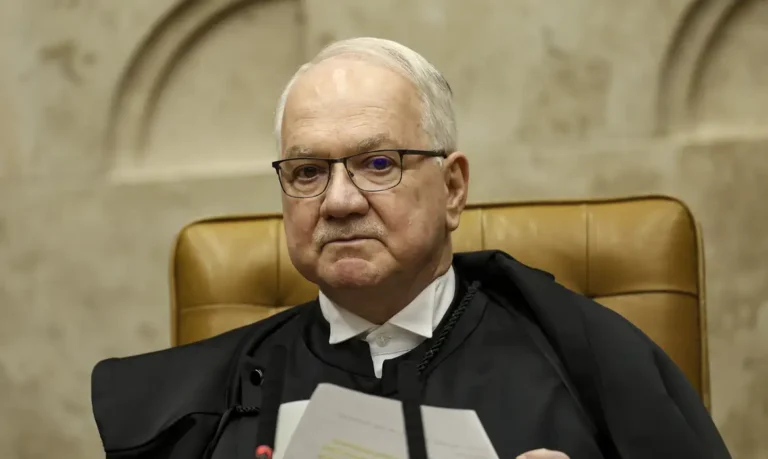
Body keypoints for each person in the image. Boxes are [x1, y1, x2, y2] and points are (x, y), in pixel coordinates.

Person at [91, 37, 732, 459]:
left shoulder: (583, 361)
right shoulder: (212, 405)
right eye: (308, 172)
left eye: (378, 163)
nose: (339, 201)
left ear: (453, 188)